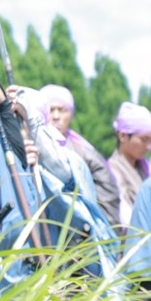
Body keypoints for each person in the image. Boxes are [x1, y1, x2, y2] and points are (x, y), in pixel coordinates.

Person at [41, 83, 120, 223]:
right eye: (50, 109)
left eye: (62, 110)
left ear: (71, 114)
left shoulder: (84, 153)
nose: (56, 116)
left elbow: (108, 199)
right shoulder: (28, 145)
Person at [108, 101, 151, 229]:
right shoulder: (112, 172)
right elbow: (126, 220)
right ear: (123, 136)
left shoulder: (147, 169)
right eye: (144, 139)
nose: (149, 146)